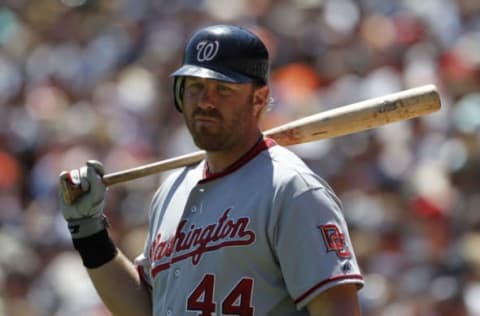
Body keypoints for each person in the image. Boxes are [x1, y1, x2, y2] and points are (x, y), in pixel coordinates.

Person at [59, 24, 364, 316]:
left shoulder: (291, 189)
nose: (205, 101)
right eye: (195, 86)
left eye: (223, 89)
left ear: (258, 98)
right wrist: (89, 233)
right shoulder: (171, 190)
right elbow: (149, 310)